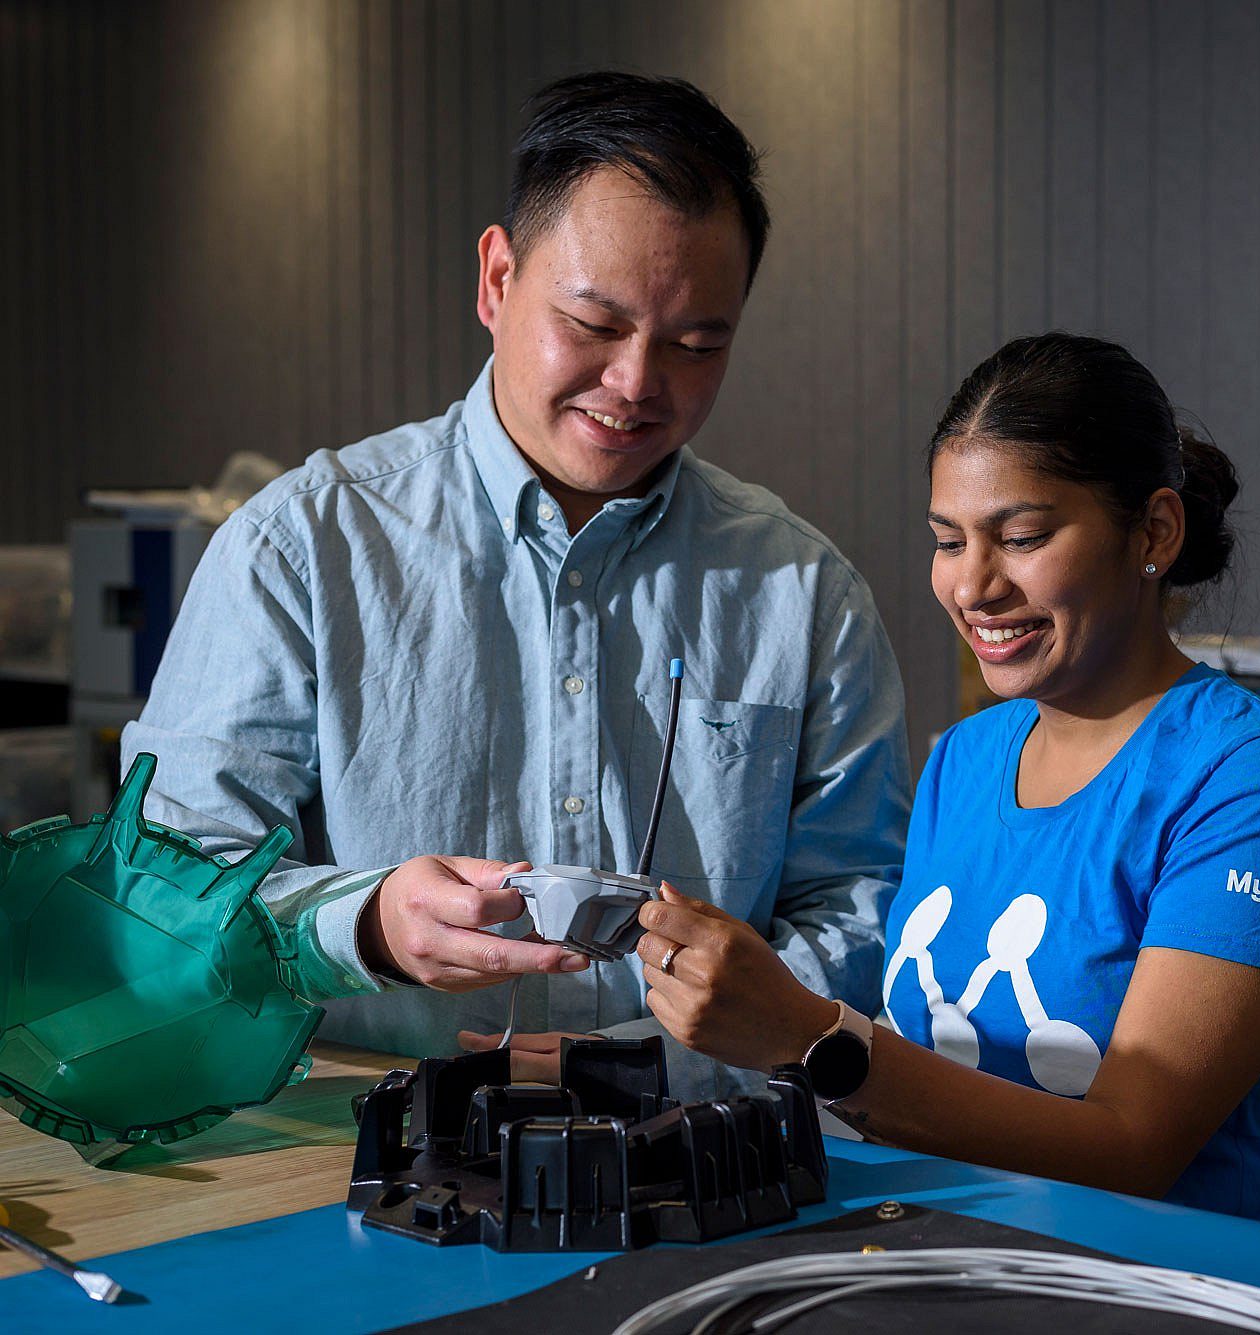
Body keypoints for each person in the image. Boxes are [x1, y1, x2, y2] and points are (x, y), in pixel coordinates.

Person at [124, 71, 911, 1099]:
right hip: (358, 1154)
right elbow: (161, 901)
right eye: (592, 324)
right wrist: (362, 925)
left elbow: (863, 903)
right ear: (496, 281)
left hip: (703, 1156)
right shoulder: (300, 546)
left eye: (694, 344)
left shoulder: (802, 591)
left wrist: (669, 1058)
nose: (636, 383)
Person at [615, 331, 1260, 1223]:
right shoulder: (968, 760)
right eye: (947, 540)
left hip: (1155, 1296)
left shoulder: (1253, 783)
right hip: (942, 1267)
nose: (972, 585)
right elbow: (923, 1060)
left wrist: (813, 1034)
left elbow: (1134, 1150)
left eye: (1022, 536)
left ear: (1155, 531)